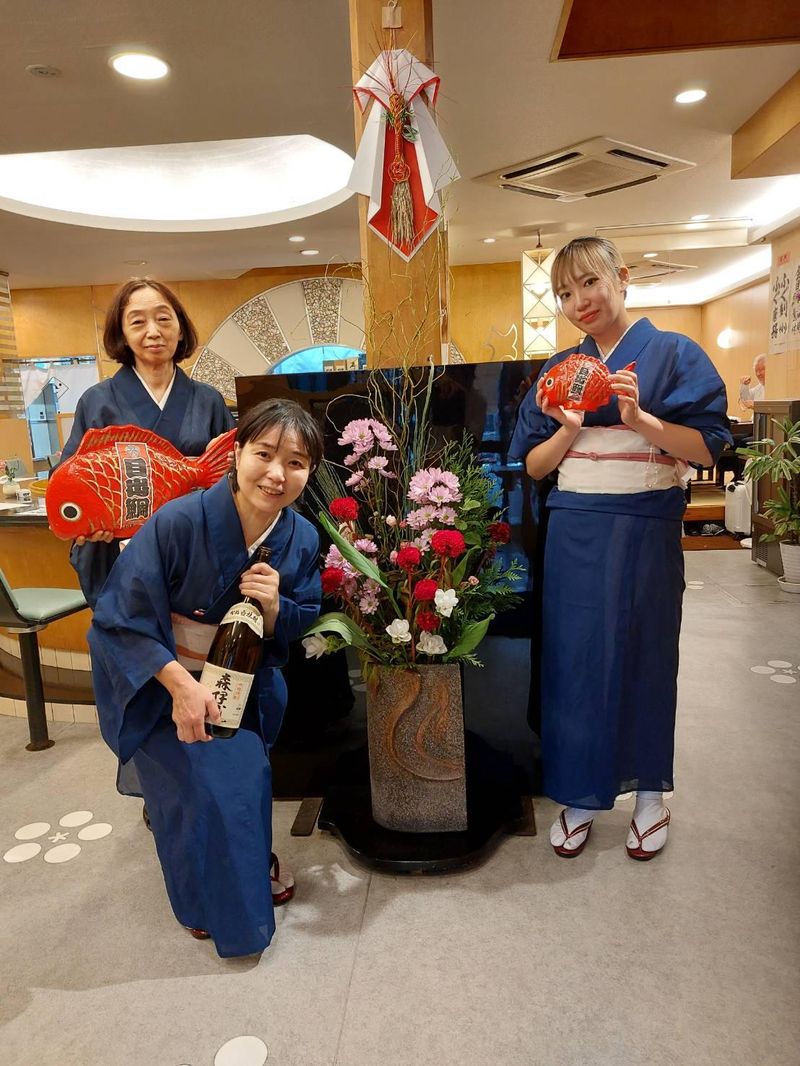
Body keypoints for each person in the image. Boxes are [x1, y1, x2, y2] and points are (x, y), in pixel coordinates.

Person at [510, 237, 731, 861]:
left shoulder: (675, 353)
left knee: (647, 652)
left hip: (645, 525)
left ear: (622, 277)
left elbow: (706, 447)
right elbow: (533, 465)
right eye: (564, 292)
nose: (578, 301)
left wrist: (641, 422)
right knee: (574, 660)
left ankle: (651, 794)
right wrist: (570, 430)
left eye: (589, 282)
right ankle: (581, 792)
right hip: (575, 524)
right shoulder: (561, 368)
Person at [88, 399, 323, 957]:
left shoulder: (302, 537)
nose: (277, 474)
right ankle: (203, 901)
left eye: (295, 462)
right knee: (192, 794)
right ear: (236, 453)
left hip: (241, 687)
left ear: (310, 471)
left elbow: (306, 614)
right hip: (161, 686)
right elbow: (119, 617)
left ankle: (249, 867)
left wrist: (275, 609)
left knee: (242, 783)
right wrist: (179, 685)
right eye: (264, 454)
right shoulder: (177, 521)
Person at [58, 277, 234, 607]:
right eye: (138, 322)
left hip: (194, 550)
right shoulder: (97, 402)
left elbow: (233, 475)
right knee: (131, 635)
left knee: (195, 636)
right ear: (122, 334)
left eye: (164, 318)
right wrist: (91, 522)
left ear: (180, 329)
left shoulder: (208, 400)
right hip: (119, 555)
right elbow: (70, 477)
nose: (153, 331)